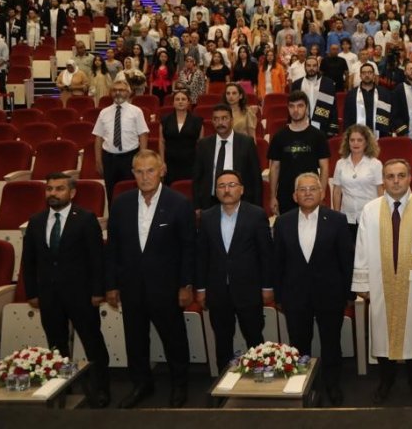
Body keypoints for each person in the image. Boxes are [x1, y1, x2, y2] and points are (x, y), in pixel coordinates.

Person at [104, 150, 195, 409]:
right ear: (133, 174)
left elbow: (189, 247)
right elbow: (113, 248)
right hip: (131, 287)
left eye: (150, 170)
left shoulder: (179, 203)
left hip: (167, 287)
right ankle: (141, 384)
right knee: (135, 340)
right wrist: (110, 284)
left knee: (174, 339)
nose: (145, 176)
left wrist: (185, 284)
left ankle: (179, 385)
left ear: (162, 170)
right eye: (139, 171)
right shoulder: (121, 203)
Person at [352, 159, 412, 405]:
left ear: (410, 177)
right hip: (380, 284)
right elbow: (361, 248)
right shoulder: (370, 210)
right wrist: (362, 285)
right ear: (383, 179)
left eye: (400, 175)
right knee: (382, 335)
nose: (395, 181)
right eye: (390, 176)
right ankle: (386, 380)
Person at [22, 173, 110, 407]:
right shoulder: (36, 220)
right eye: (49, 189)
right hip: (49, 297)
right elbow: (28, 260)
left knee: (93, 343)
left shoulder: (85, 218)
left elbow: (97, 259)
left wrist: (98, 290)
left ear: (72, 193)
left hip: (81, 295)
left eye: (59, 189)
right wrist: (31, 292)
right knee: (56, 346)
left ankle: (101, 389)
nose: (53, 193)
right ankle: (63, 387)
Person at [274, 172, 353, 406]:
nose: (308, 193)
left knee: (331, 343)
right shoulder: (283, 222)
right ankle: (304, 385)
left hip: (331, 295)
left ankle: (332, 384)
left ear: (322, 193)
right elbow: (277, 262)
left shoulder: (337, 220)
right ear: (294, 196)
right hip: (295, 296)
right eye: (302, 190)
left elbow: (346, 261)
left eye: (313, 189)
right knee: (299, 344)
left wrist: (348, 294)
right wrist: (279, 296)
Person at [196, 169, 274, 372]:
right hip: (217, 291)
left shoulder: (256, 214)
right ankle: (223, 385)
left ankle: (260, 381)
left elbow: (266, 254)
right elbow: (202, 255)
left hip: (249, 289)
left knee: (255, 339)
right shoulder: (206, 217)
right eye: (221, 186)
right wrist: (201, 289)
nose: (227, 190)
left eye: (231, 185)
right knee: (222, 341)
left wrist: (267, 286)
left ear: (241, 189)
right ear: (216, 191)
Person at [268, 90, 330, 215]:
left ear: (307, 108)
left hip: (310, 193)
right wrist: (272, 196)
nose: (295, 110)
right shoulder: (279, 136)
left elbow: (324, 166)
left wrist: (321, 191)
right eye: (292, 106)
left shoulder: (318, 135)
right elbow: (274, 168)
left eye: (300, 106)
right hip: (285, 194)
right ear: (288, 109)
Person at [192, 103, 262, 212]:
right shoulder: (203, 145)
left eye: (224, 118)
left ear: (232, 120)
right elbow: (197, 178)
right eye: (216, 119)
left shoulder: (246, 143)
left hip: (241, 201)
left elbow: (256, 177)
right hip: (210, 203)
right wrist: (197, 206)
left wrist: (257, 207)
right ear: (212, 122)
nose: (220, 123)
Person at [93, 79, 149, 204]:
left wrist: (142, 159)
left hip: (130, 158)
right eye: (115, 90)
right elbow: (98, 137)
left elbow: (143, 135)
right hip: (109, 158)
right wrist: (98, 160)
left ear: (128, 93)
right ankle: (114, 220)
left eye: (121, 90)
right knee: (111, 193)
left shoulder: (136, 111)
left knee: (131, 193)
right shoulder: (103, 112)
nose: (118, 93)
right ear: (110, 93)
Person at [332, 124, 384, 238]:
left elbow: (380, 192)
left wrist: (381, 214)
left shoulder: (375, 164)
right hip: (346, 216)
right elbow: (336, 191)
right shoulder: (340, 163)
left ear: (366, 142)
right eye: (352, 140)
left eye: (359, 140)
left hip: (369, 216)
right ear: (348, 142)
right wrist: (337, 215)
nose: (355, 143)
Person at [159, 90, 203, 184]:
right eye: (177, 99)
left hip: (190, 163)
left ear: (188, 102)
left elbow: (200, 144)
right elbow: (162, 142)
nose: (180, 101)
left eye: (183, 99)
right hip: (170, 163)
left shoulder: (197, 121)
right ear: (173, 103)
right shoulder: (165, 120)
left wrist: (199, 164)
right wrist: (162, 162)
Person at [292, 55, 339, 137]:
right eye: (308, 66)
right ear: (305, 67)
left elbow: (332, 107)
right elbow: (292, 106)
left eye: (314, 66)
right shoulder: (297, 84)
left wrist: (332, 128)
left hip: (322, 124)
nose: (311, 68)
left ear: (318, 67)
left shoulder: (328, 83)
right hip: (301, 124)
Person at [342, 61, 394, 136]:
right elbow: (347, 117)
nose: (367, 75)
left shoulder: (384, 93)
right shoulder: (351, 95)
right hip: (357, 135)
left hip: (380, 134)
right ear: (360, 76)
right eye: (364, 73)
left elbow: (389, 115)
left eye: (369, 72)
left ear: (373, 75)